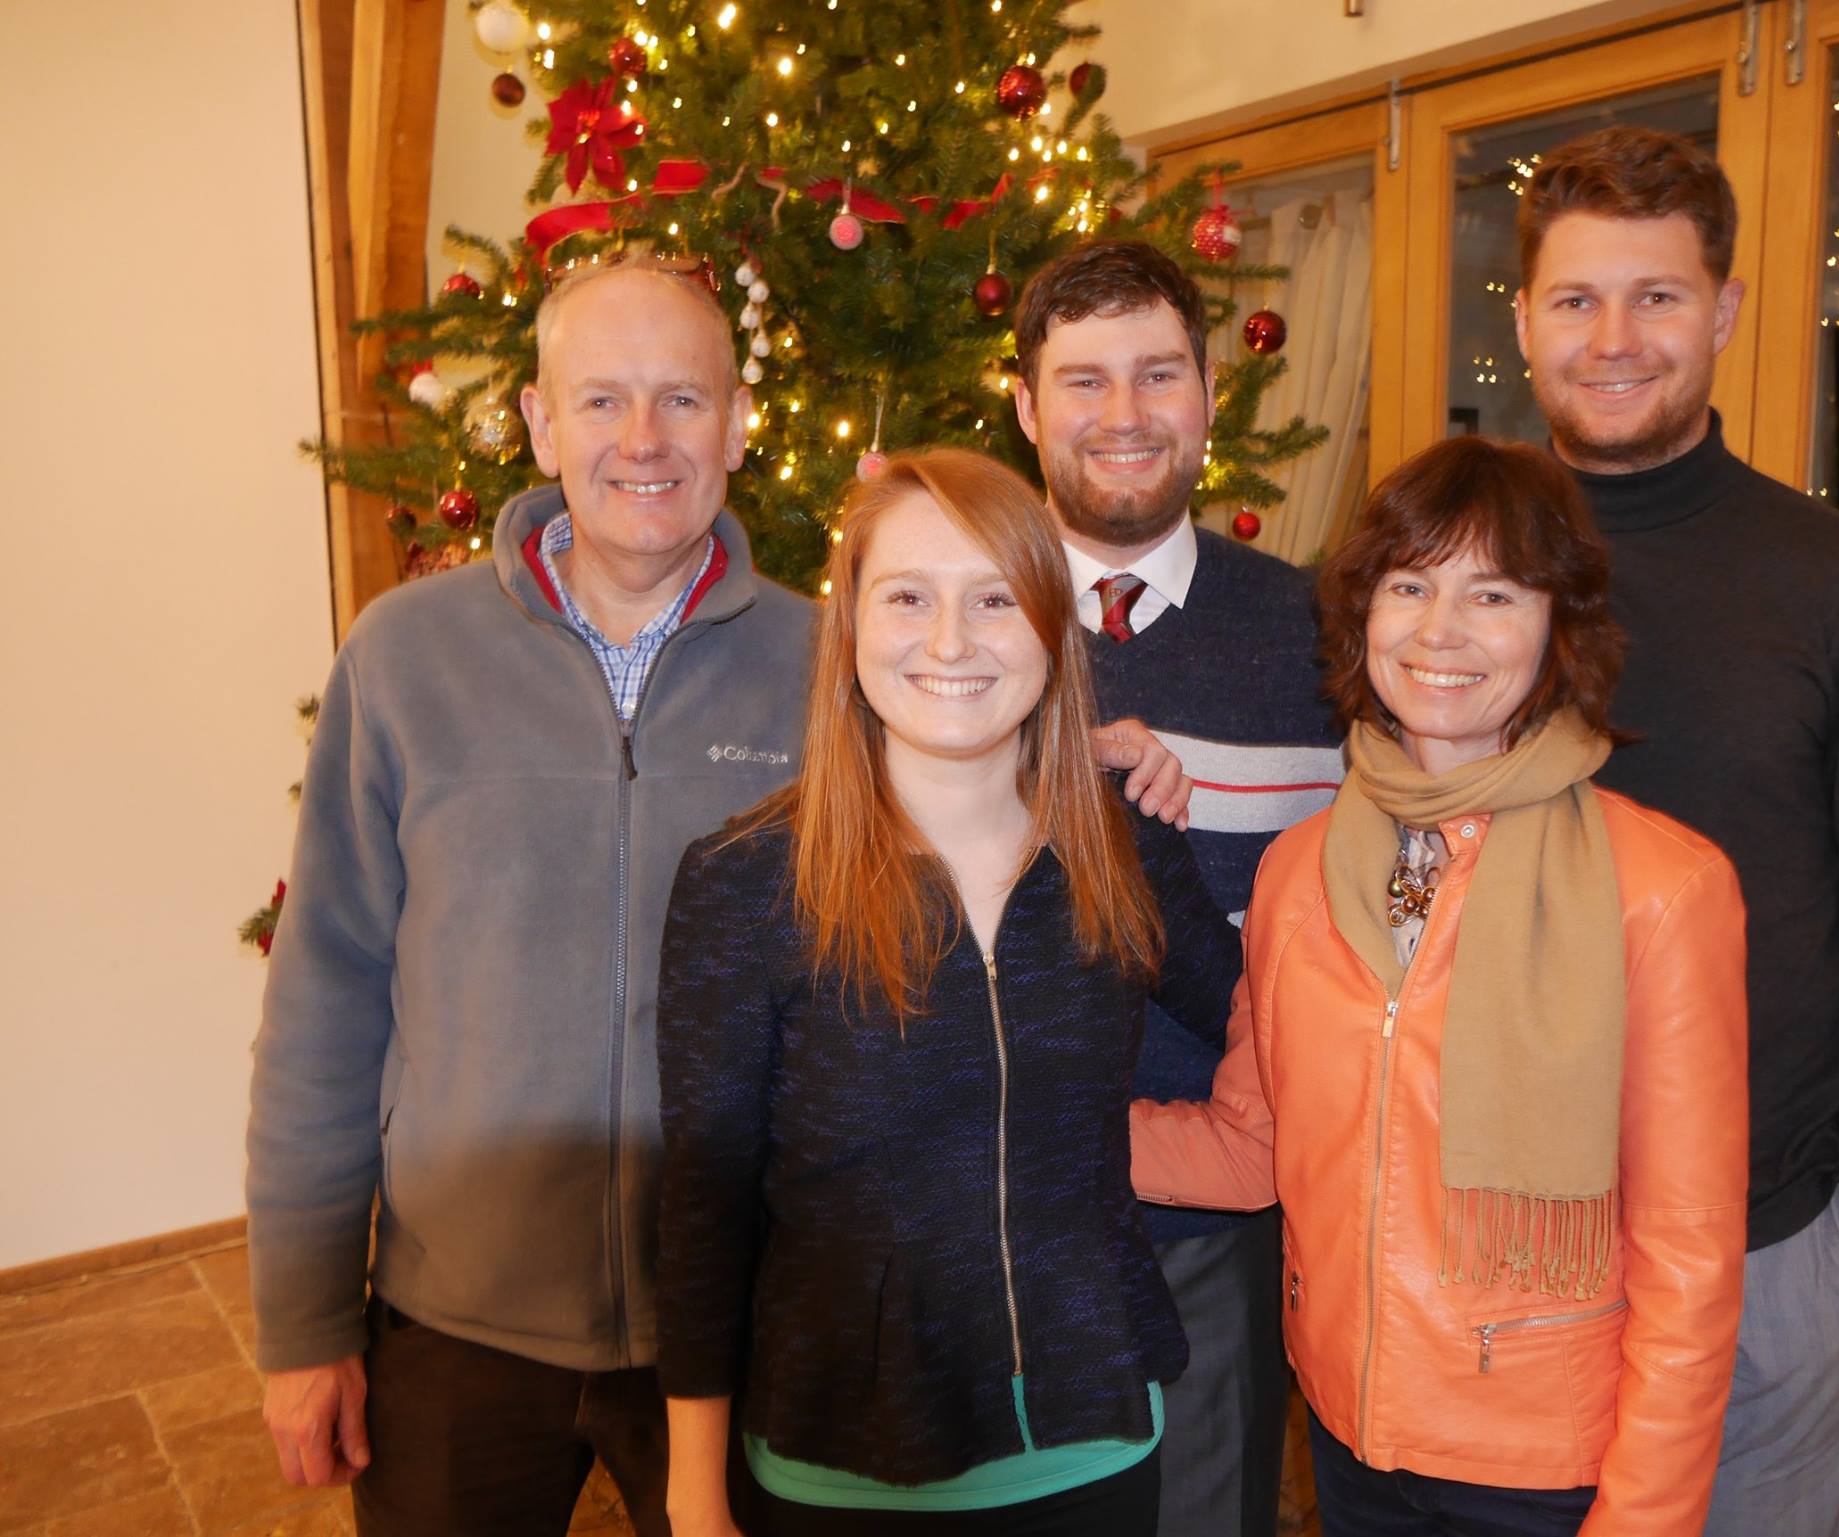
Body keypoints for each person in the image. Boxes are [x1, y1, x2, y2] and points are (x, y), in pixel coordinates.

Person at [248, 254, 1194, 1534]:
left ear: (741, 421)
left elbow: (981, 765)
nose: (643, 440)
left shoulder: (845, 660)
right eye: (600, 400)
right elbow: (325, 1003)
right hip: (463, 1321)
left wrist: (1087, 759)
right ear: (536, 421)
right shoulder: (407, 660)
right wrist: (305, 1316)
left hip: (752, 1337)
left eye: (683, 400)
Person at [1133, 434, 1751, 1536]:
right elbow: (1249, 1148)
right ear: (1360, 614)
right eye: (1408, 585)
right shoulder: (1299, 869)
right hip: (1348, 1433)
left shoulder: (1661, 888)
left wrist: (1642, 1520)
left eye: (1493, 591)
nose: (1439, 631)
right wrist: (1013, 1114)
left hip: (1544, 1465)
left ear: (1558, 621)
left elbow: (1688, 1258)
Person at [1512, 126, 1839, 1537]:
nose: (1613, 338)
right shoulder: (1446, 570)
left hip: (1774, 1245)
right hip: (1492, 1239)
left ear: (1721, 311)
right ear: (1526, 317)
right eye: (1576, 299)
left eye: (1656, 297)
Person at [655, 449, 1245, 1537]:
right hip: (845, 1471)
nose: (948, 641)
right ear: (850, 628)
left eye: (992, 599)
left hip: (1095, 1442)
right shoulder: (744, 883)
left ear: (1048, 630)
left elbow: (1271, 1026)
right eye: (907, 598)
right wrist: (694, 1494)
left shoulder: (1118, 844)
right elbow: (702, 1210)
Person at [1012, 238, 1343, 1537]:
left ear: (1210, 391)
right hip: (996, 1202)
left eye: (1157, 374)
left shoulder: (1323, 631)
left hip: (1229, 1212)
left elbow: (1395, 885)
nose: (1125, 415)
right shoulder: (956, 621)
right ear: (1030, 409)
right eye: (1083, 382)